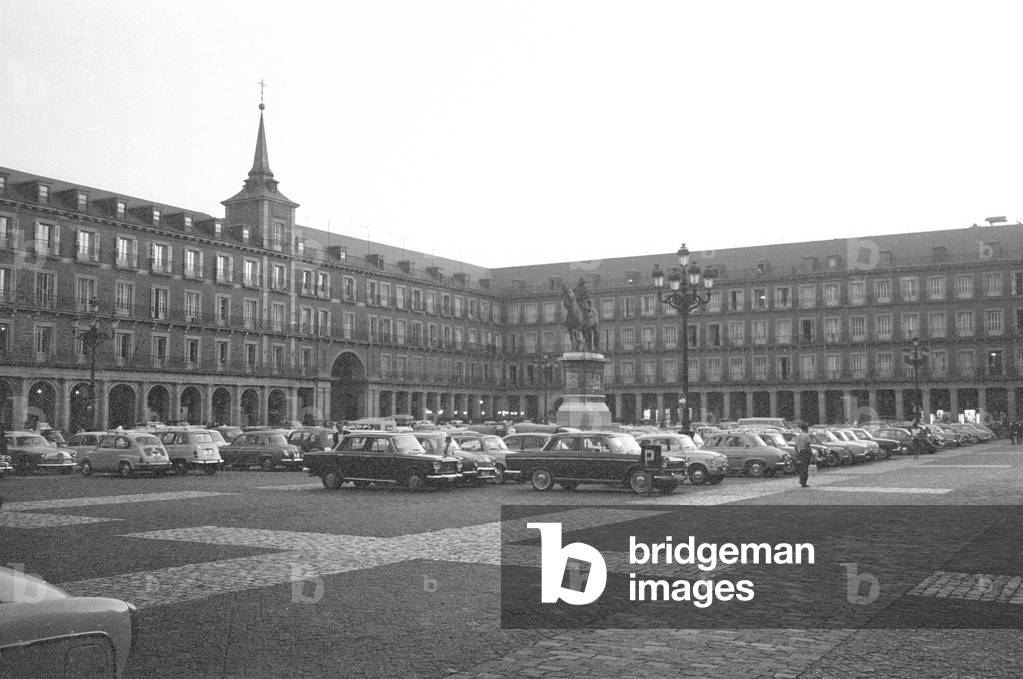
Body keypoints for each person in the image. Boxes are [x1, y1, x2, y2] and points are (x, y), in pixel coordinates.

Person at [794, 423, 812, 488]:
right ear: (806, 428)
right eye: (807, 428)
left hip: (800, 452)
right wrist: (810, 453)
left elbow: (795, 446)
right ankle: (804, 482)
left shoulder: (798, 436)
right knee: (805, 468)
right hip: (805, 452)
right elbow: (808, 445)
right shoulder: (807, 436)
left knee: (801, 468)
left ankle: (801, 480)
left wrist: (798, 453)